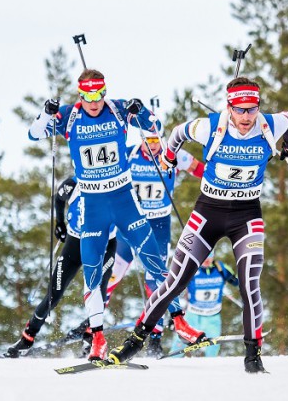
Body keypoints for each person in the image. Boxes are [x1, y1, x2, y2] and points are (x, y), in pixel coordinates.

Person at [108, 76, 288, 373]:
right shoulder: (210, 126)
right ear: (229, 107)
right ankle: (135, 341)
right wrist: (169, 159)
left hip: (247, 215)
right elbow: (176, 133)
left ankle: (253, 358)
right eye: (240, 109)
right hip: (208, 212)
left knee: (250, 285)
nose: (246, 117)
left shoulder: (271, 123)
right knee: (174, 282)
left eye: (252, 109)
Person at [27, 68, 180, 361]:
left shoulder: (119, 109)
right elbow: (34, 134)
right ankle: (96, 338)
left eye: (98, 94)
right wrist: (47, 113)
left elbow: (154, 127)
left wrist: (143, 111)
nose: (94, 102)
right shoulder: (70, 116)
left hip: (123, 200)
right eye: (87, 96)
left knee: (154, 264)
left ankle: (171, 323)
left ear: (105, 92)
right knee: (93, 276)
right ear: (80, 94)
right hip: (94, 208)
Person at [103, 125, 204, 355]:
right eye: (148, 139)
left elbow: (201, 170)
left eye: (157, 139)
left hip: (158, 226)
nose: (153, 144)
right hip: (130, 224)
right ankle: (91, 332)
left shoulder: (174, 153)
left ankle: (155, 338)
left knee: (156, 282)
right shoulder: (127, 154)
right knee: (111, 276)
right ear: (140, 138)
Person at [3, 176, 117, 359]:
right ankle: (27, 339)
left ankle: (91, 337)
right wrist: (59, 223)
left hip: (104, 246)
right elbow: (58, 198)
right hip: (75, 244)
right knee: (53, 295)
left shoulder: (110, 184)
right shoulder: (72, 184)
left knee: (99, 290)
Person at [168, 253, 238, 357]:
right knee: (181, 342)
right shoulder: (192, 269)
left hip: (212, 316)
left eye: (210, 257)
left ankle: (210, 369)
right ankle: (171, 364)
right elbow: (177, 288)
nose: (207, 260)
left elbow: (238, 283)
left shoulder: (221, 268)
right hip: (193, 315)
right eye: (204, 257)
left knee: (213, 346)